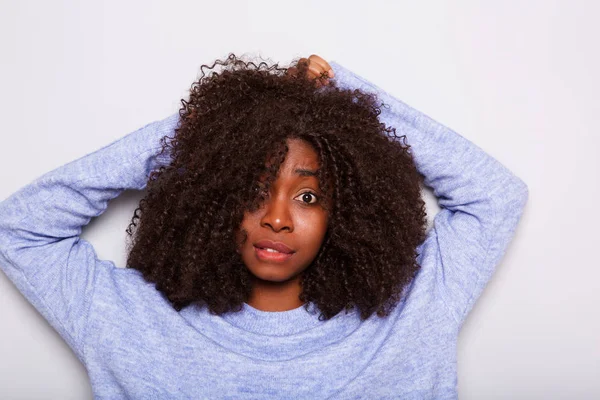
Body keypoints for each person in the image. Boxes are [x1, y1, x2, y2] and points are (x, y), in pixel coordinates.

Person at [0, 53, 528, 399]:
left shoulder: (414, 312)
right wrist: (211, 132)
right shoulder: (128, 320)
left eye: (307, 196)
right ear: (213, 196)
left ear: (346, 213)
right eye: (252, 189)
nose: (276, 217)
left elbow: (495, 195)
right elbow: (18, 227)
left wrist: (344, 96)